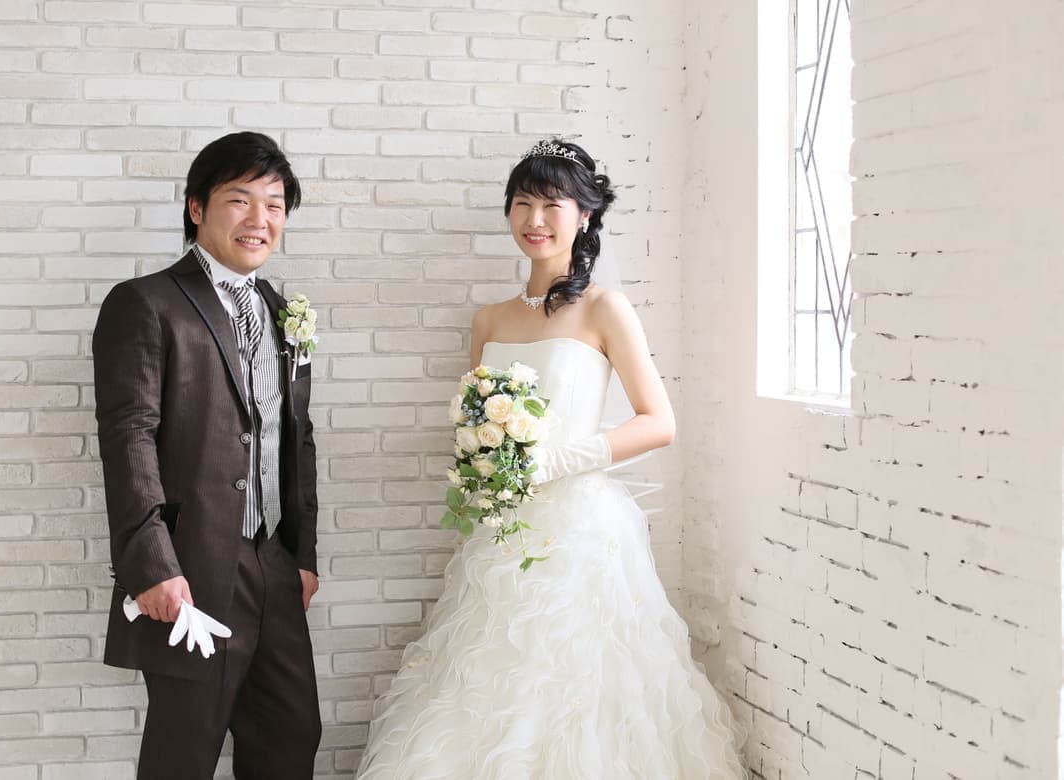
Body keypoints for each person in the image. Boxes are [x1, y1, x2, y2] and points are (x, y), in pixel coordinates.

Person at [356, 139, 747, 778]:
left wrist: (554, 463)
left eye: (551, 205)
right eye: (522, 204)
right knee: (490, 681)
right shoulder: (488, 320)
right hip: (502, 530)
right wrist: (486, 467)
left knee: (580, 688)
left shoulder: (605, 308)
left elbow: (660, 422)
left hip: (580, 532)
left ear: (584, 215)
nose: (534, 220)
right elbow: (476, 425)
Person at [93, 131, 321, 780]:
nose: (260, 220)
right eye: (240, 200)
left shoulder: (282, 310)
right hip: (190, 566)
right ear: (197, 207)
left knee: (292, 733)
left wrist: (302, 556)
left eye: (274, 205)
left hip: (273, 562)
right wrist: (152, 566)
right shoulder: (146, 303)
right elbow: (129, 440)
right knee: (184, 753)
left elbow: (296, 437)